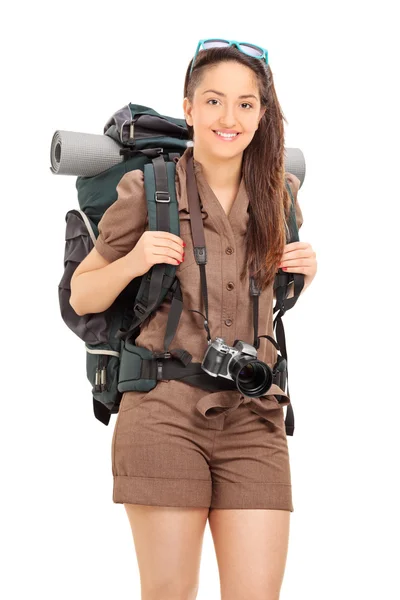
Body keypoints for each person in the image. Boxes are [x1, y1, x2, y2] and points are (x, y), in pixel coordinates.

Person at [70, 39, 317, 600]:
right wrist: (136, 261)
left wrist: (302, 272)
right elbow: (83, 294)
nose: (229, 118)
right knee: (170, 593)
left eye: (246, 104)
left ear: (263, 113)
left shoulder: (281, 194)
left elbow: (270, 292)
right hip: (162, 410)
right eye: (213, 101)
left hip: (256, 414)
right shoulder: (148, 189)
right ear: (188, 107)